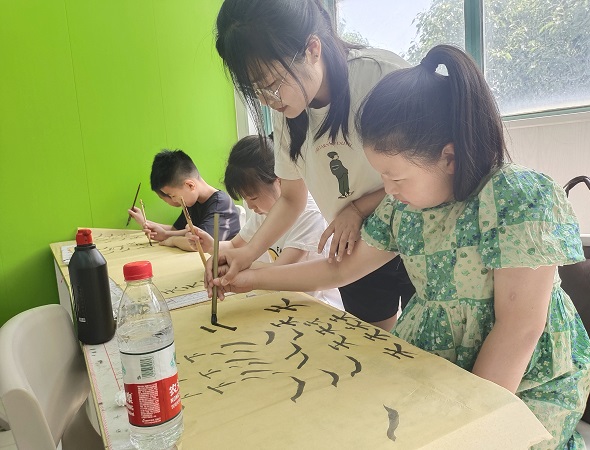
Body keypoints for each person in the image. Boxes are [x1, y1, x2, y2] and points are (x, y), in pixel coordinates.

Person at [211, 45, 590, 448]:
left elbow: (519, 329)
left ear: (449, 157)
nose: (387, 191)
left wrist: (470, 427)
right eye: (381, 177)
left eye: (395, 178)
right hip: (440, 361)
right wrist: (251, 279)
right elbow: (339, 269)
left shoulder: (518, 198)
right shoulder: (404, 208)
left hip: (521, 379)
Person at [211, 0, 415, 331]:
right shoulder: (288, 111)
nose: (267, 100)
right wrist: (245, 255)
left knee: (430, 344)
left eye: (271, 83)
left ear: (312, 49)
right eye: (254, 90)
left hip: (417, 234)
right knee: (375, 343)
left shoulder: (379, 77)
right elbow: (292, 197)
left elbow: (423, 176)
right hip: (351, 242)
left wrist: (358, 209)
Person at [187, 135, 343, 310]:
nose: (250, 206)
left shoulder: (310, 214)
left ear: (279, 181)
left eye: (253, 197)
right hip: (279, 300)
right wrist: (212, 246)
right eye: (245, 199)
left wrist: (233, 263)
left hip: (315, 305)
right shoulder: (264, 211)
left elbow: (279, 270)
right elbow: (234, 246)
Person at [128, 149, 240, 248]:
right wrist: (164, 234)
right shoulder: (192, 201)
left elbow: (198, 244)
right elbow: (177, 230)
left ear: (190, 185)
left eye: (173, 196)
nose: (174, 200)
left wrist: (172, 240)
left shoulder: (220, 205)